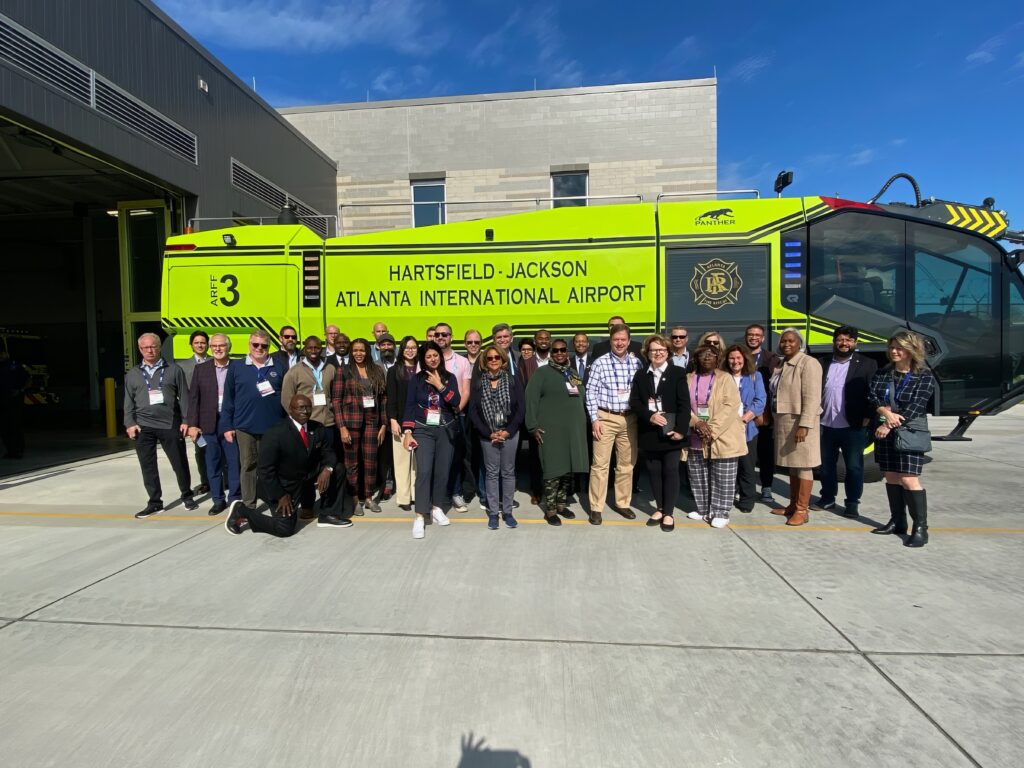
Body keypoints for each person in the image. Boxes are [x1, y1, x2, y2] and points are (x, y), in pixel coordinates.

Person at [225, 394, 349, 536]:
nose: (305, 411)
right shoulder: (276, 433)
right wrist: (280, 495)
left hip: (305, 476)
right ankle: (242, 510)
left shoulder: (318, 428)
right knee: (284, 529)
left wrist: (328, 469)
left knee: (338, 469)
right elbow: (265, 470)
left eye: (308, 407)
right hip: (283, 484)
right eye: (301, 408)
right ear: (291, 410)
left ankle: (328, 514)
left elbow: (329, 453)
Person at [868, 331, 936, 547]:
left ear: (911, 350)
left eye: (899, 348)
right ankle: (897, 521)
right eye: (892, 347)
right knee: (891, 477)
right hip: (886, 432)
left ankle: (920, 528)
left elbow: (916, 406)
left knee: (909, 479)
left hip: (909, 433)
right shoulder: (883, 374)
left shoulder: (923, 376)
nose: (894, 351)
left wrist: (887, 423)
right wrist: (884, 412)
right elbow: (873, 396)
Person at [124, 333, 196, 518]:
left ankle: (187, 495)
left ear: (159, 347)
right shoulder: (133, 374)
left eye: (153, 346)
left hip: (169, 423)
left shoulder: (173, 369)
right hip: (143, 426)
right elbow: (128, 401)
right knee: (148, 466)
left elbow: (185, 397)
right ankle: (155, 502)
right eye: (146, 347)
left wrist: (186, 421)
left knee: (179, 462)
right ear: (140, 349)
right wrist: (130, 423)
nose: (150, 350)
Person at [814, 326, 878, 517]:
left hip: (853, 426)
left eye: (849, 340)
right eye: (840, 339)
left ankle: (852, 503)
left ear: (855, 343)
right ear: (834, 341)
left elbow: (873, 392)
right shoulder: (822, 363)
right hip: (826, 424)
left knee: (854, 466)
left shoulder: (867, 364)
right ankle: (827, 498)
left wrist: (868, 417)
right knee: (826, 466)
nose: (844, 343)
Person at [525, 339, 589, 525]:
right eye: (555, 350)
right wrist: (533, 426)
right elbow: (531, 400)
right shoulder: (542, 373)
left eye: (562, 350)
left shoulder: (572, 373)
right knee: (553, 470)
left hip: (572, 430)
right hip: (550, 430)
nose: (559, 353)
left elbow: (581, 396)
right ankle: (550, 510)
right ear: (551, 353)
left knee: (567, 469)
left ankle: (562, 505)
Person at [629, 335, 690, 531]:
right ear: (647, 353)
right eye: (654, 350)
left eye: (662, 350)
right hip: (650, 432)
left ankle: (669, 514)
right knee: (654, 471)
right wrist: (650, 416)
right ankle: (660, 507)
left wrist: (681, 430)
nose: (658, 353)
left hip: (671, 432)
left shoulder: (678, 373)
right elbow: (635, 402)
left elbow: (684, 404)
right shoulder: (640, 375)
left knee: (670, 470)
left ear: (668, 352)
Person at [221, 330, 286, 511]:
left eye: (263, 345)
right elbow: (228, 398)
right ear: (249, 344)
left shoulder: (279, 366)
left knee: (271, 466)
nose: (259, 348)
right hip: (244, 426)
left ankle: (274, 501)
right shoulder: (237, 367)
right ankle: (249, 505)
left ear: (269, 346)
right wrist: (227, 425)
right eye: (255, 344)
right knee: (248, 465)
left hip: (273, 426)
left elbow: (287, 396)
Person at [585, 323, 643, 524]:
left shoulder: (637, 364)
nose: (619, 343)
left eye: (623, 340)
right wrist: (594, 420)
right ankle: (596, 507)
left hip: (630, 419)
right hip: (606, 418)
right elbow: (590, 392)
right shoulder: (600, 363)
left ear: (629, 341)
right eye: (616, 339)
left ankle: (622, 503)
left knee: (626, 464)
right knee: (600, 465)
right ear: (611, 341)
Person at [402, 341, 461, 539]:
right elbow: (409, 405)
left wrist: (440, 386)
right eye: (428, 357)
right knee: (425, 471)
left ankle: (436, 507)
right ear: (423, 360)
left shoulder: (449, 378)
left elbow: (455, 401)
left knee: (442, 471)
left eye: (435, 355)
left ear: (440, 356)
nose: (433, 359)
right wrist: (408, 432)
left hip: (445, 430)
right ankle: (420, 515)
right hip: (423, 429)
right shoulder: (416, 380)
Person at [683, 344, 746, 528]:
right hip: (696, 432)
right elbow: (683, 404)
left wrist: (711, 428)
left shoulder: (725, 378)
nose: (707, 357)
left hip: (722, 434)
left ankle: (720, 511)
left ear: (717, 359)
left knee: (723, 474)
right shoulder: (688, 378)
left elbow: (731, 405)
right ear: (695, 359)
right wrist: (696, 423)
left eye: (711, 354)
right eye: (702, 355)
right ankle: (703, 509)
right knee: (698, 472)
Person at [768, 328, 823, 527]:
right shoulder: (782, 363)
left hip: (800, 422)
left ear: (800, 343)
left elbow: (812, 397)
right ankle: (793, 505)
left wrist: (805, 425)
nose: (786, 344)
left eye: (791, 341)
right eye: (783, 341)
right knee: (793, 465)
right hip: (784, 421)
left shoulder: (808, 363)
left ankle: (802, 510)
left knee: (804, 465)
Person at [280, 335, 338, 518]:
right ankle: (307, 504)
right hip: (307, 425)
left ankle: (328, 503)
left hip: (328, 423)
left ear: (322, 348)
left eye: (317, 348)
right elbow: (286, 400)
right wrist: (298, 421)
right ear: (304, 349)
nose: (313, 351)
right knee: (307, 467)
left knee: (328, 465)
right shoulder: (294, 371)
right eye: (310, 348)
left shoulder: (330, 368)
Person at [469, 344, 525, 529]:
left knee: (508, 472)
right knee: (492, 473)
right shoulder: (478, 383)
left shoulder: (513, 380)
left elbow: (520, 409)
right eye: (490, 358)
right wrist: (488, 433)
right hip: (488, 435)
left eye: (497, 358)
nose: (493, 360)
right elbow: (474, 412)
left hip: (509, 433)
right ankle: (493, 513)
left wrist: (508, 430)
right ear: (485, 362)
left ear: (503, 360)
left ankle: (507, 511)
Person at [185, 333, 240, 515]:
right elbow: (193, 399)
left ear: (228, 347)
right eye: (214, 346)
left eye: (221, 345)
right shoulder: (201, 369)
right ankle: (218, 500)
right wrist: (192, 424)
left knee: (233, 463)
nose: (217, 348)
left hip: (231, 424)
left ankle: (234, 499)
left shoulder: (237, 367)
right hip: (208, 424)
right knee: (212, 464)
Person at [332, 338, 387, 515]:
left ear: (367, 351)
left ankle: (369, 497)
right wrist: (342, 427)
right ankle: (355, 499)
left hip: (372, 421)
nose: (358, 353)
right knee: (352, 463)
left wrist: (384, 424)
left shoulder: (376, 370)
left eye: (362, 350)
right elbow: (336, 400)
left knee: (371, 462)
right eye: (355, 350)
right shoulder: (344, 371)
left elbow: (383, 399)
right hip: (351, 422)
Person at [722, 344, 766, 513]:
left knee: (747, 466)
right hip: (726, 429)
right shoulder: (721, 377)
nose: (735, 361)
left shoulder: (755, 376)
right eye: (732, 358)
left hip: (747, 428)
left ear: (744, 359)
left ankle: (747, 501)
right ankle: (728, 496)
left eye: (738, 358)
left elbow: (760, 400)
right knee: (728, 465)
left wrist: (744, 419)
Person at [434, 322, 472, 512]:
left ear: (451, 337)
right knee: (436, 457)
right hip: (432, 417)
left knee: (456, 457)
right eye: (438, 335)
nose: (441, 338)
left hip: (456, 415)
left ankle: (456, 493)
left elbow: (465, 390)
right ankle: (438, 496)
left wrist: (458, 408)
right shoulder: (427, 359)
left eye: (445, 334)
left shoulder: (462, 362)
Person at [744, 323, 779, 503]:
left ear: (763, 338)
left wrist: (764, 411)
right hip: (742, 412)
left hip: (763, 412)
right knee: (744, 452)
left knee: (765, 451)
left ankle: (766, 487)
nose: (753, 337)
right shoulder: (738, 355)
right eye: (750, 334)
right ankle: (743, 486)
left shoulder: (771, 358)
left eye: (757, 335)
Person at [386, 336, 419, 510]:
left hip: (419, 422)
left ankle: (415, 494)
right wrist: (392, 419)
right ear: (402, 350)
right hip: (399, 421)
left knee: (417, 462)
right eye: (407, 347)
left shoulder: (422, 369)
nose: (410, 350)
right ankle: (404, 498)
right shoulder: (394, 371)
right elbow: (390, 398)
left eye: (413, 347)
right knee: (401, 461)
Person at [177, 330, 211, 493]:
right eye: (196, 342)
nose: (200, 345)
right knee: (201, 448)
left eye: (203, 342)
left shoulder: (214, 361)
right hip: (195, 413)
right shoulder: (182, 366)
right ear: (191, 345)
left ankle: (221, 478)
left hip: (213, 410)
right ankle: (205, 480)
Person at [0, 346, 29, 459]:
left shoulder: (15, 365)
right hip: (2, 400)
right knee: (4, 428)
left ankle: (18, 450)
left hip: (14, 401)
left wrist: (20, 390)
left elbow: (27, 379)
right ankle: (10, 450)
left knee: (14, 426)